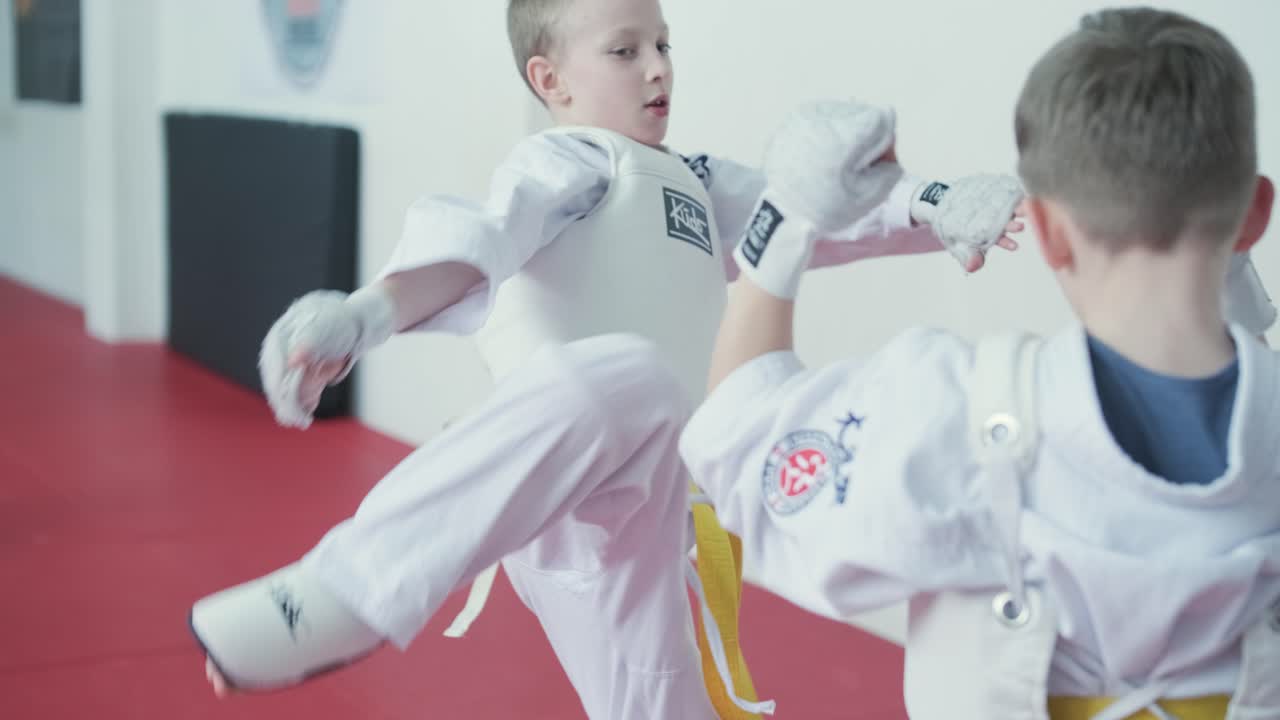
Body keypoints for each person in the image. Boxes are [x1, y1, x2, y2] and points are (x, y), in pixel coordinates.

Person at [188, 0, 1024, 716]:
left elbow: (812, 203)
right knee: (635, 376)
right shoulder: (569, 159)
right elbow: (481, 237)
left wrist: (936, 203)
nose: (657, 69)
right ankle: (349, 590)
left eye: (663, 44)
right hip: (569, 482)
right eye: (625, 51)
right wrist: (365, 313)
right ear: (551, 81)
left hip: (660, 501)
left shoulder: (692, 179)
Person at [677, 7, 1279, 720]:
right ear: (1256, 214)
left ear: (1048, 233)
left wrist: (783, 221)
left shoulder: (946, 417)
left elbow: (740, 448)